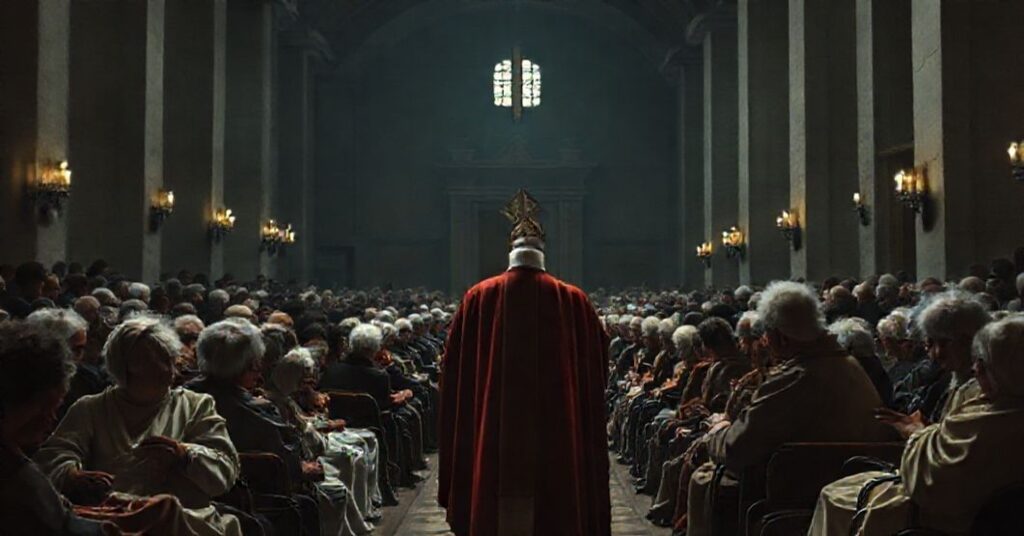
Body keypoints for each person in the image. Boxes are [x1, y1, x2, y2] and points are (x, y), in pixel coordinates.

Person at [439, 190, 610, 536]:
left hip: (493, 437)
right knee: (558, 505)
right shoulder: (575, 301)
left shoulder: (478, 298)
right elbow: (597, 372)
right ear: (543, 250)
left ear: (510, 250)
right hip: (557, 436)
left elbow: (454, 372)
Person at [809, 315, 1024, 535]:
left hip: (944, 520)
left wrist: (916, 433)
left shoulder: (991, 420)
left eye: (985, 363)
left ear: (1010, 369)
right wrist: (930, 433)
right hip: (964, 512)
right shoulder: (996, 402)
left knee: (835, 498)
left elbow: (930, 483)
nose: (976, 368)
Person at [34, 316, 242, 536]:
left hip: (184, 520)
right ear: (126, 367)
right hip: (111, 520)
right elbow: (53, 457)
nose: (169, 370)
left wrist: (185, 454)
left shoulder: (196, 406)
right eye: (156, 362)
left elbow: (225, 471)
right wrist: (71, 476)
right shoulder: (91, 409)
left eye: (170, 359)